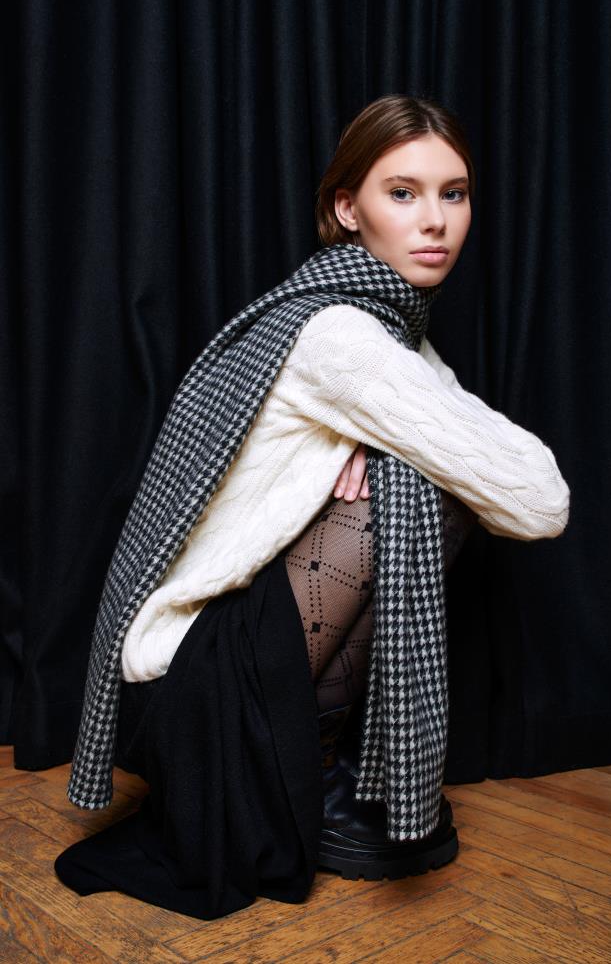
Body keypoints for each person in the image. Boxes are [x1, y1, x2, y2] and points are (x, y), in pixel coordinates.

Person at [54, 94, 570, 921]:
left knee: (420, 474)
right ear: (346, 207)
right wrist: (405, 437)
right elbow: (540, 499)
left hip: (215, 651)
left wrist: (389, 437)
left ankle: (316, 763)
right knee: (434, 492)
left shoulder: (380, 322)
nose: (433, 220)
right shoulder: (343, 337)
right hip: (201, 676)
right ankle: (308, 766)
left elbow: (496, 467)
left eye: (454, 192)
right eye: (401, 193)